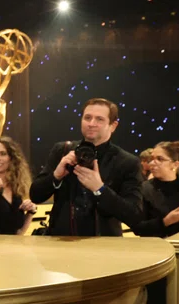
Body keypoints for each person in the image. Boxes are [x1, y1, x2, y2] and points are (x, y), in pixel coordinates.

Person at [29, 98, 143, 236]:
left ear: (113, 126)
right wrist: (56, 176)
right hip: (61, 245)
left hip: (105, 249)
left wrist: (100, 189)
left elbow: (134, 215)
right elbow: (35, 196)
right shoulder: (62, 150)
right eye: (87, 118)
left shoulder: (127, 162)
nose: (91, 123)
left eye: (99, 119)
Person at [0, 136, 36, 235]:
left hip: (12, 247)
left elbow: (19, 233)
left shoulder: (17, 186)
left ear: (11, 157)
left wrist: (30, 213)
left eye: (3, 154)